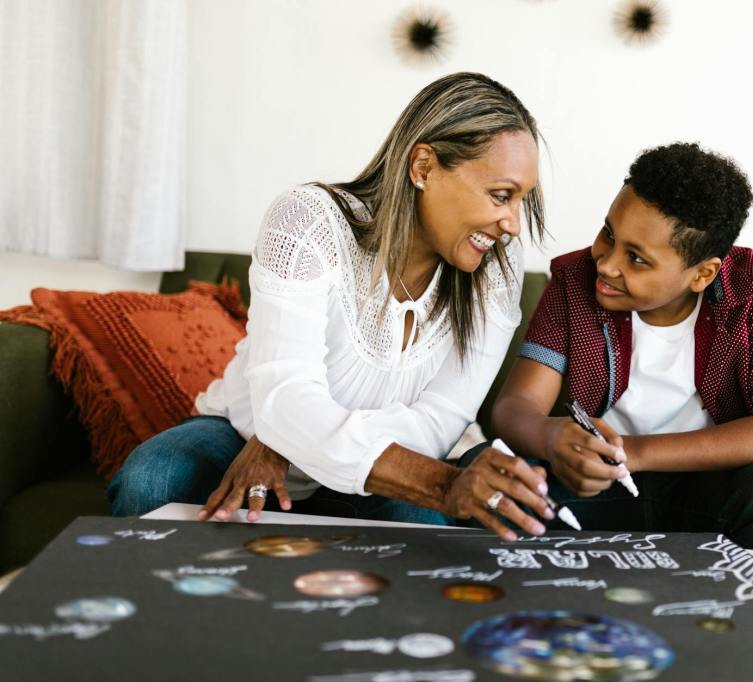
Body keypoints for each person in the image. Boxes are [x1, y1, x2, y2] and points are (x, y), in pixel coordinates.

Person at [107, 72, 555, 542]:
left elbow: (439, 423)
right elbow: (283, 399)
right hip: (244, 433)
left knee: (421, 531)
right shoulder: (308, 221)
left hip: (389, 451)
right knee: (151, 481)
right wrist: (286, 427)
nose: (514, 225)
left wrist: (294, 438)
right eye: (502, 196)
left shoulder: (497, 269)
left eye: (522, 200)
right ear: (423, 167)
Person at [487, 142, 753, 553]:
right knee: (489, 473)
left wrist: (633, 452)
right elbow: (514, 407)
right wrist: (552, 438)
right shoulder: (573, 283)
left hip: (710, 493)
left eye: (636, 258)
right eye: (609, 234)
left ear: (702, 274)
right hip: (593, 490)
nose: (606, 264)